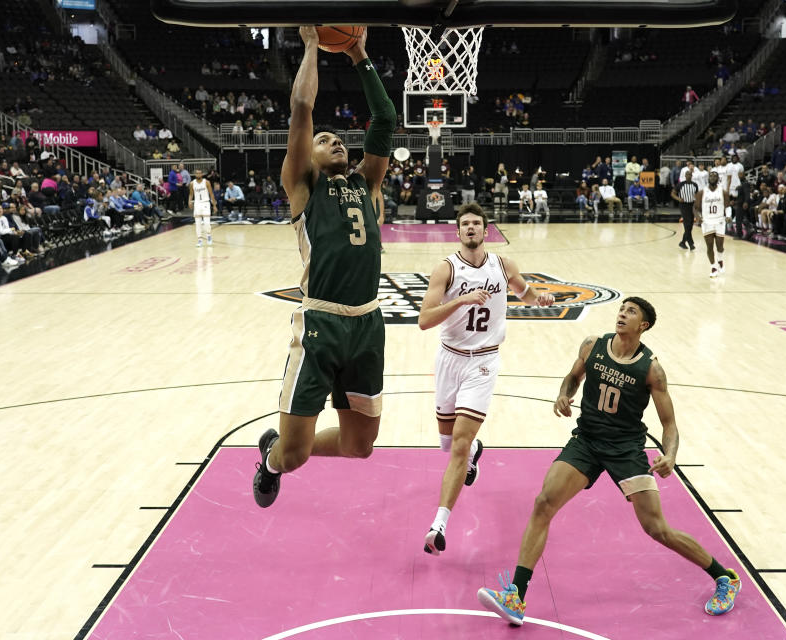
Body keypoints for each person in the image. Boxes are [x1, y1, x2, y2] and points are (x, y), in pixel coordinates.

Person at [476, 298, 741, 626]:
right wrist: (564, 393)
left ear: (643, 325)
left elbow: (669, 425)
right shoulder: (593, 345)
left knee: (656, 529)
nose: (622, 314)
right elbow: (572, 378)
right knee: (544, 503)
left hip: (625, 450)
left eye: (631, 312)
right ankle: (516, 595)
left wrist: (670, 455)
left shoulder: (651, 369)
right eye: (622, 309)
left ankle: (724, 577)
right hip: (586, 441)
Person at [252, 27, 396, 509]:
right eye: (324, 140)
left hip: (368, 323)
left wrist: (359, 54)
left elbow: (385, 117)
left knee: (361, 446)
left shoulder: (368, 183)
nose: (334, 141)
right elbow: (301, 110)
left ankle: (288, 443)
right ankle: (271, 458)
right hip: (320, 322)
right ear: (307, 156)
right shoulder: (302, 185)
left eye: (339, 139)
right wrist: (313, 44)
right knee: (293, 457)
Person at [417, 203, 554, 555]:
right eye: (465, 224)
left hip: (483, 363)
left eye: (477, 224)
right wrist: (461, 299)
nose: (471, 229)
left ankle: (439, 524)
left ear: (486, 230)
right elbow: (424, 320)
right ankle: (477, 451)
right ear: (457, 232)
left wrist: (541, 298)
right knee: (448, 445)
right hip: (450, 360)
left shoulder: (503, 265)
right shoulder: (445, 270)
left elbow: (525, 293)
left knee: (458, 445)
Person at [695, 170, 730, 277]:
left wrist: (728, 216)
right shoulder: (702, 192)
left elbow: (727, 206)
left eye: (715, 176)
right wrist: (698, 217)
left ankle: (720, 260)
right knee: (709, 246)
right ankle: (713, 267)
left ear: (718, 178)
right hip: (707, 221)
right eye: (711, 175)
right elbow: (695, 208)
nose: (713, 177)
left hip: (719, 220)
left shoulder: (723, 192)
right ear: (708, 178)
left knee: (720, 246)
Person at [188, 168, 217, 247]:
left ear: (202, 174)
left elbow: (211, 194)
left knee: (207, 223)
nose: (198, 175)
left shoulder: (206, 182)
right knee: (197, 223)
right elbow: (191, 194)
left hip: (205, 203)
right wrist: (189, 201)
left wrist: (214, 205)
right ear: (195, 174)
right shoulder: (192, 183)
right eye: (197, 173)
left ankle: (209, 236)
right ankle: (200, 240)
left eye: (200, 173)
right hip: (197, 204)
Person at [672, 176, 698, 250]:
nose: (689, 176)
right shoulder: (680, 184)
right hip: (683, 205)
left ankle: (683, 242)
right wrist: (679, 199)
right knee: (687, 224)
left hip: (691, 205)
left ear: (691, 176)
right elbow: (673, 194)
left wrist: (696, 204)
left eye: (690, 175)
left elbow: (696, 195)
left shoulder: (695, 185)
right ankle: (691, 243)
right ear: (685, 176)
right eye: (687, 175)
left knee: (690, 225)